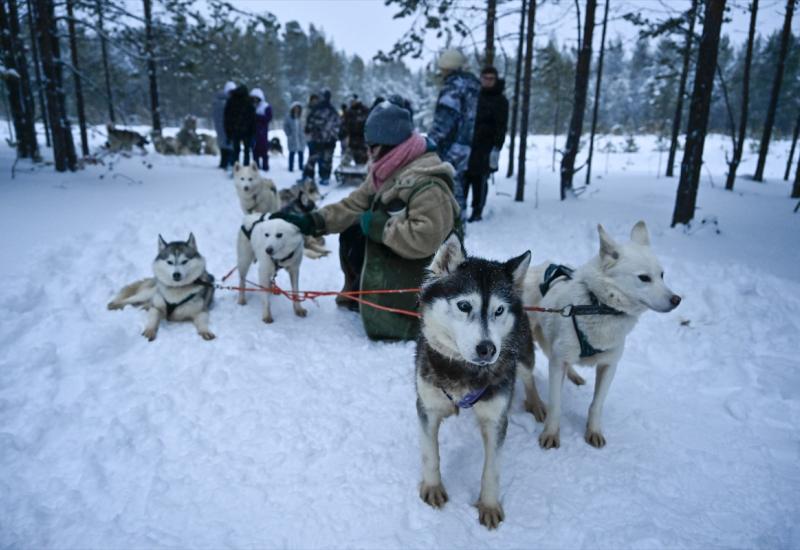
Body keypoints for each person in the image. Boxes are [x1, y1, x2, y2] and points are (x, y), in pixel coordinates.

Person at [273, 100, 460, 341]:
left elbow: (426, 238)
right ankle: (360, 292)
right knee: (353, 230)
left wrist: (381, 227)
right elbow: (353, 205)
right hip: (402, 262)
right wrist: (313, 221)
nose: (368, 152)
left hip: (425, 278)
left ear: (391, 144)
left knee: (365, 229)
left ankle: (388, 307)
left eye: (372, 146)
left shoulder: (427, 182)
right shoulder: (388, 170)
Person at [427, 49, 480, 219]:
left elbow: (444, 120)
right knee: (459, 188)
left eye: (442, 68)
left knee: (446, 189)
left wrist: (429, 143)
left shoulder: (453, 86)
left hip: (450, 148)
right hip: (467, 146)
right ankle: (459, 223)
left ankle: (450, 228)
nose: (441, 72)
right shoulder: (474, 85)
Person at [465, 66, 509, 222]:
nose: (488, 81)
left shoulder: (501, 101)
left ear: (495, 80)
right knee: (464, 178)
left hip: (486, 147)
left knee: (480, 180)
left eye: (491, 79)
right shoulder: (474, 96)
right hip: (468, 144)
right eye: (485, 78)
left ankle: (477, 211)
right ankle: (460, 209)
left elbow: (502, 127)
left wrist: (496, 147)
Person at [302, 89, 341, 186]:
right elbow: (338, 126)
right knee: (323, 159)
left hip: (321, 140)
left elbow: (309, 125)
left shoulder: (318, 110)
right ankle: (322, 177)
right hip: (323, 140)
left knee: (317, 159)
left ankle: (316, 178)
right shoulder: (332, 111)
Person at [224, 84, 256, 167]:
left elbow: (227, 118)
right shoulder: (249, 101)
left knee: (236, 150)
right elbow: (253, 119)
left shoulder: (231, 100)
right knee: (246, 151)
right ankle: (246, 168)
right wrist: (253, 132)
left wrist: (228, 133)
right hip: (247, 130)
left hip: (235, 129)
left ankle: (236, 168)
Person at [212, 81, 236, 168]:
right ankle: (228, 163)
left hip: (222, 128)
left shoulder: (217, 101)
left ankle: (224, 162)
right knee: (229, 146)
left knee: (224, 146)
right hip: (227, 127)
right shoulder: (229, 102)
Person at [342, 95, 370, 165]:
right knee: (345, 162)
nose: (352, 103)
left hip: (362, 141)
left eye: (353, 101)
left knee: (362, 161)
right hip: (351, 140)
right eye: (351, 101)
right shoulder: (348, 112)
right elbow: (344, 124)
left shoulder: (365, 110)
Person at [249, 87, 272, 171]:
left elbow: (268, 118)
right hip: (253, 132)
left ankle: (265, 166)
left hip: (262, 132)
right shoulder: (250, 106)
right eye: (253, 98)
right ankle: (256, 166)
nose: (255, 100)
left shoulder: (266, 106)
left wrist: (257, 117)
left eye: (256, 98)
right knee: (254, 151)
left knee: (264, 150)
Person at [283, 101, 306, 172]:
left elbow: (305, 126)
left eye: (298, 108)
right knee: (292, 153)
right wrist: (288, 134)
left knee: (301, 153)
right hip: (292, 138)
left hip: (300, 138)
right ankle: (291, 167)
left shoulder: (302, 117)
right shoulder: (288, 117)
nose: (297, 109)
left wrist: (304, 134)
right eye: (295, 108)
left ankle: (301, 166)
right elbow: (285, 126)